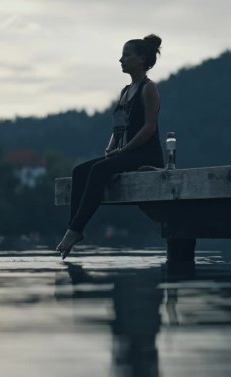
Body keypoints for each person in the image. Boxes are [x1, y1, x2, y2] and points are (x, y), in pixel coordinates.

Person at [56, 34, 165, 258]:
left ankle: (75, 229)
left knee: (98, 170)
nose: (120, 60)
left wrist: (123, 150)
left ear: (141, 58)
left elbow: (149, 128)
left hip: (145, 155)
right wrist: (111, 148)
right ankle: (73, 228)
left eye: (126, 55)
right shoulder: (126, 91)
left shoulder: (149, 89)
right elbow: (118, 128)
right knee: (80, 171)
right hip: (125, 154)